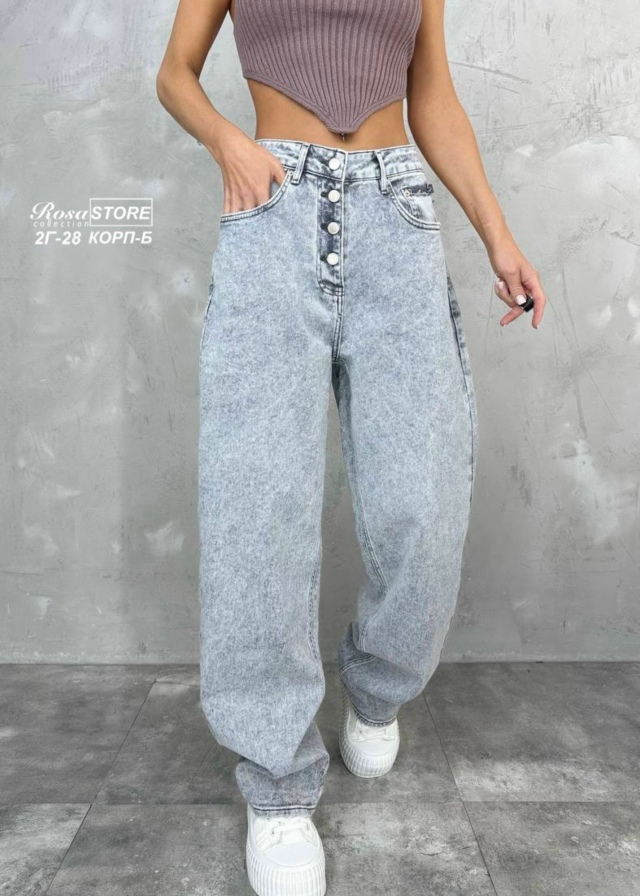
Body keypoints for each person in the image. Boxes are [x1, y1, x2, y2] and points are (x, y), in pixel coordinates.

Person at [157, 1, 547, 894]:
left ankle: (377, 685)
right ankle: (277, 785)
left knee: (425, 502)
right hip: (274, 204)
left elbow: (432, 97)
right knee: (260, 507)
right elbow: (174, 74)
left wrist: (498, 236)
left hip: (394, 215)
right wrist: (228, 143)